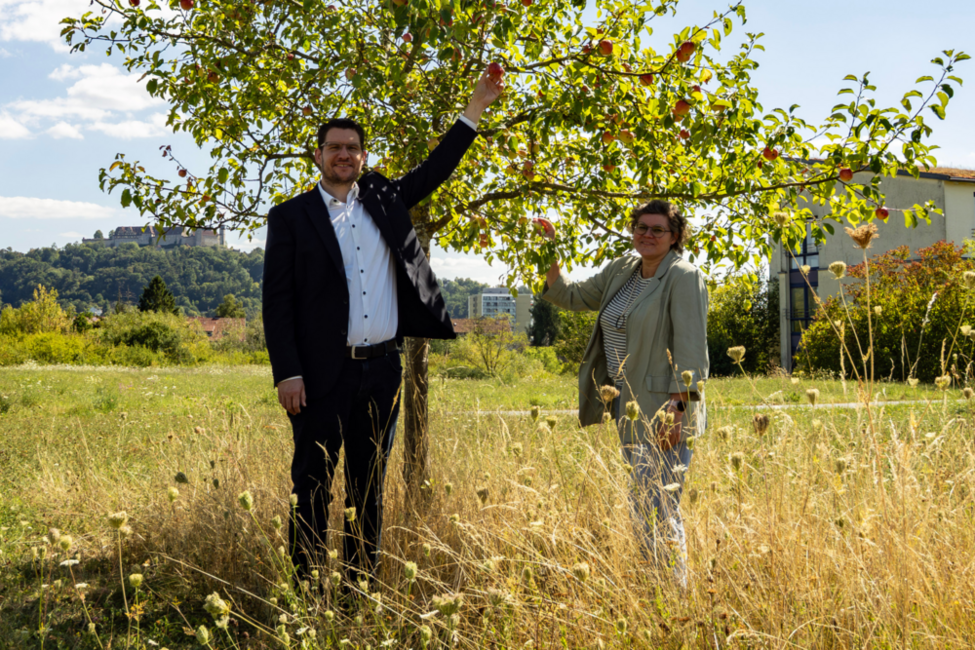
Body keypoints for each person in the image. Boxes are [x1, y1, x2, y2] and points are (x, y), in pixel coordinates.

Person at [263, 69, 502, 584]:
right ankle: (305, 591)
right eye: (333, 147)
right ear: (318, 156)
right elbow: (276, 303)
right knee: (311, 485)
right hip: (319, 377)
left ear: (364, 157)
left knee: (368, 487)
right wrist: (287, 372)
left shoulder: (386, 200)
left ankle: (357, 591)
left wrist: (476, 107)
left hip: (381, 372)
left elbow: (439, 166)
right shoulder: (290, 217)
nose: (343, 154)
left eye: (352, 147)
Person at [540, 200, 708, 585]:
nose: (647, 235)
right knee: (642, 506)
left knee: (659, 509)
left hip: (666, 413)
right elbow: (570, 295)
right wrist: (550, 249)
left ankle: (670, 598)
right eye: (640, 227)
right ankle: (655, 592)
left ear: (676, 236)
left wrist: (677, 412)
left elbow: (692, 355)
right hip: (629, 409)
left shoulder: (683, 277)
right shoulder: (623, 270)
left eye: (657, 230)